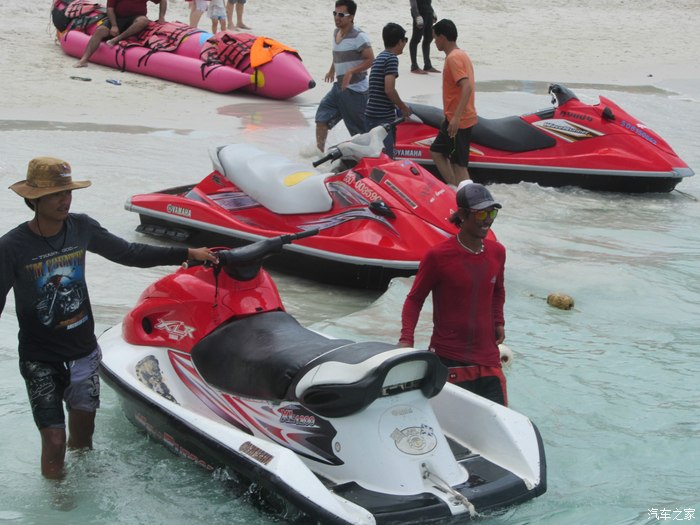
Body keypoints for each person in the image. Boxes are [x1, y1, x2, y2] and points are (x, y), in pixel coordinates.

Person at [0, 157, 218, 479]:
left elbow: (129, 253)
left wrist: (186, 253)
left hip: (83, 352)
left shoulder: (81, 228)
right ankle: (59, 500)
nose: (65, 200)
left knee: (83, 439)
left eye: (67, 192)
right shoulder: (11, 246)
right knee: (55, 441)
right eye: (56, 194)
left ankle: (82, 493)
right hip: (39, 359)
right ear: (34, 200)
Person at [398, 181, 507, 406]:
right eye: (481, 214)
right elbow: (415, 299)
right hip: (449, 359)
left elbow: (498, 290)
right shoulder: (438, 256)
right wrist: (406, 340)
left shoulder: (498, 252)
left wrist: (499, 321)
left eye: (492, 212)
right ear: (463, 215)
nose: (487, 219)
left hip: (488, 360)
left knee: (502, 421)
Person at [315, 0, 374, 152]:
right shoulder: (336, 32)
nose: (337, 17)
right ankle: (319, 154)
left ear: (351, 17)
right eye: (335, 13)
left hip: (356, 91)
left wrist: (350, 71)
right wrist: (332, 70)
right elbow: (339, 55)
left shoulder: (359, 36)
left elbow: (370, 59)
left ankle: (371, 157)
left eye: (341, 15)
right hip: (339, 88)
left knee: (359, 132)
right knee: (322, 117)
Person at [429, 18, 477, 187]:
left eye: (435, 38)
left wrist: (456, 117)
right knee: (437, 152)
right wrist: (450, 116)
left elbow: (467, 87)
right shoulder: (460, 54)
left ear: (442, 37)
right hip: (454, 118)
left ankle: (465, 194)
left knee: (459, 164)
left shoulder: (453, 58)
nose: (434, 42)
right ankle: (455, 189)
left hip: (460, 120)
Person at [364, 23, 411, 159]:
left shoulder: (380, 57)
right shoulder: (391, 59)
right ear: (399, 41)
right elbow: (389, 90)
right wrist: (403, 107)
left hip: (370, 115)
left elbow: (377, 88)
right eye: (405, 40)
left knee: (374, 157)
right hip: (382, 118)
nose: (405, 43)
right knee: (387, 160)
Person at [74, 0, 167, 67]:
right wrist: (114, 25)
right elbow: (110, 9)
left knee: (143, 20)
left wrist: (161, 17)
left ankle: (116, 39)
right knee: (100, 31)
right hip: (117, 18)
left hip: (135, 19)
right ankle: (84, 60)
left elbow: (162, 0)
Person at [408, 0, 438, 74]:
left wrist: (433, 12)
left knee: (428, 38)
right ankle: (414, 66)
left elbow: (428, 3)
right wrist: (417, 15)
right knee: (416, 39)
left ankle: (427, 65)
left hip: (428, 13)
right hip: (420, 14)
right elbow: (413, 5)